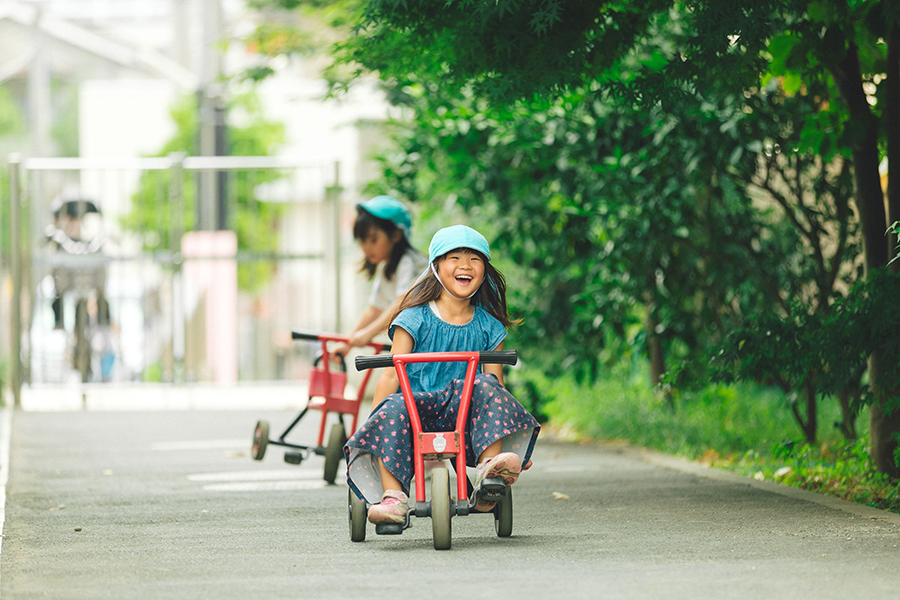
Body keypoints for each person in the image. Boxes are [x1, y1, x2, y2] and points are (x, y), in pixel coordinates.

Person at [344, 224, 540, 524]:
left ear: (485, 270)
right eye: (454, 257)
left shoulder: (489, 326)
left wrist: (505, 433)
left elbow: (495, 383)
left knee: (487, 385)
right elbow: (392, 376)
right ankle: (393, 497)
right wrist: (374, 426)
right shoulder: (413, 318)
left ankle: (491, 471)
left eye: (475, 259)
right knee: (392, 406)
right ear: (435, 267)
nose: (465, 265)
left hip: (465, 414)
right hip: (415, 408)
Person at [333, 195, 427, 359]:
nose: (366, 247)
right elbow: (374, 309)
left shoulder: (409, 263)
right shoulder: (386, 268)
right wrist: (348, 343)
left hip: (432, 343)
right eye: (362, 241)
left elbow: (401, 305)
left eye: (373, 239)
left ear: (396, 235)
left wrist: (368, 334)